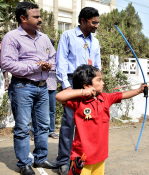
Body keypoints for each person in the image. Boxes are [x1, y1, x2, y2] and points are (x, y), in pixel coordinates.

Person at [55, 64, 149, 175]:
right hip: (82, 157)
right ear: (86, 85)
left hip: (100, 156)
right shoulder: (79, 101)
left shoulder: (105, 98)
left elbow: (122, 94)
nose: (103, 83)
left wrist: (139, 90)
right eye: (99, 80)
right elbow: (59, 96)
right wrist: (82, 92)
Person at [0, 2, 57, 175]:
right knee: (23, 127)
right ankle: (24, 163)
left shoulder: (44, 38)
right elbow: (7, 63)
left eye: (39, 16)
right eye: (36, 17)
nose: (40, 19)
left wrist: (49, 65)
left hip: (42, 87)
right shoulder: (11, 37)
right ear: (23, 18)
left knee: (43, 125)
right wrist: (35, 67)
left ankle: (40, 159)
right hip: (22, 87)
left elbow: (54, 57)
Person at [56, 7, 101, 175]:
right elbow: (61, 60)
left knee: (87, 123)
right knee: (69, 123)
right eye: (93, 22)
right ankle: (63, 161)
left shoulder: (95, 41)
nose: (96, 26)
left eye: (97, 23)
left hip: (90, 87)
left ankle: (82, 159)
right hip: (72, 84)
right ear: (83, 21)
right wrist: (66, 86)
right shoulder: (67, 36)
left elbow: (97, 65)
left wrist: (96, 86)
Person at [31, 38, 58, 141]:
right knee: (36, 110)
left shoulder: (54, 57)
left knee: (51, 110)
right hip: (40, 85)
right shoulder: (37, 55)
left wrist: (48, 66)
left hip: (52, 86)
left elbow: (58, 66)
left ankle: (51, 130)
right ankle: (35, 131)